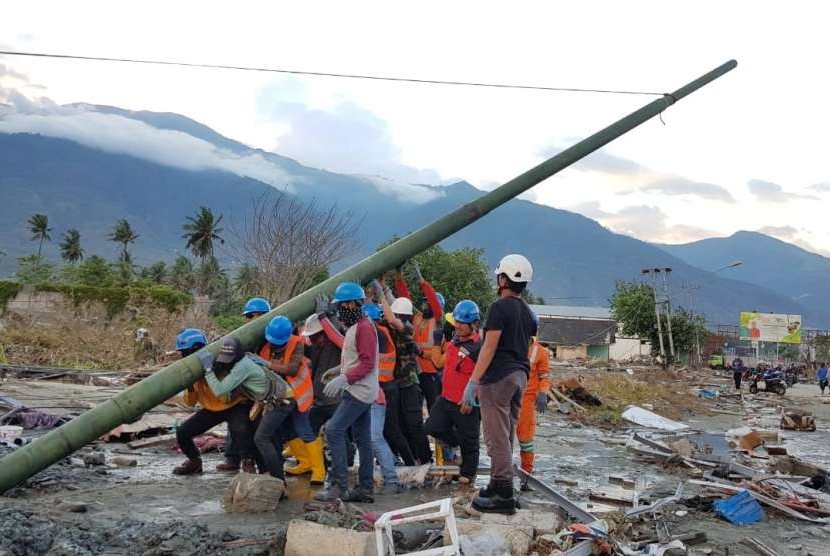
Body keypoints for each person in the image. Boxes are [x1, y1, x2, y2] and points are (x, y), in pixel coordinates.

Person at [464, 254, 536, 515]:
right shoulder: (527, 311)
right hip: (519, 377)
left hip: (498, 379)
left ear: (504, 278)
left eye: (499, 275)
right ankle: (497, 483)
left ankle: (504, 493)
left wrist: (473, 382)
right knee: (506, 434)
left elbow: (489, 347)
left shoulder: (499, 308)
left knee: (496, 437)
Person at [314, 282, 379, 503]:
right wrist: (339, 370)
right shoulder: (356, 326)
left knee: (333, 430)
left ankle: (338, 487)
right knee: (363, 439)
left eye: (341, 306)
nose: (340, 310)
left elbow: (368, 363)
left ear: (352, 303)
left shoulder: (364, 328)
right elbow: (356, 358)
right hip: (361, 388)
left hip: (359, 390)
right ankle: (365, 489)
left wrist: (345, 378)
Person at [198, 336, 292, 482]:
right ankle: (273, 475)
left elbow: (219, 390)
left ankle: (278, 480)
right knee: (267, 437)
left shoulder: (242, 367)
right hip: (276, 398)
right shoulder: (244, 360)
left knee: (262, 438)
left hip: (282, 401)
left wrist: (208, 370)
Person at [172, 329, 256, 475]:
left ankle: (248, 462)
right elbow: (190, 403)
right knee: (183, 432)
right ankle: (194, 461)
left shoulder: (222, 360)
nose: (184, 356)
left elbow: (225, 394)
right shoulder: (191, 371)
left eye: (186, 352)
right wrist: (190, 385)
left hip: (234, 405)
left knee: (240, 430)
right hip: (212, 409)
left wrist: (210, 371)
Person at [256, 315, 323, 484]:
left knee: (304, 429)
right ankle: (305, 463)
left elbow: (293, 369)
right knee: (288, 431)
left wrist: (266, 364)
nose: (275, 344)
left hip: (298, 394)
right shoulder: (265, 347)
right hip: (280, 395)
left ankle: (318, 471)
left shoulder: (296, 342)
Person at [425, 300, 482, 489]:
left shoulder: (478, 349)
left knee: (470, 442)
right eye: (456, 322)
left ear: (473, 324)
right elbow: (440, 364)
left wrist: (472, 398)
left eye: (462, 323)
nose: (457, 326)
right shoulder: (453, 342)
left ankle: (467, 480)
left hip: (465, 403)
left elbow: (483, 377)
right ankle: (459, 452)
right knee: (433, 427)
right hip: (446, 398)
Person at [380, 286, 433, 465]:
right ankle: (410, 459)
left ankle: (425, 460)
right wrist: (382, 289)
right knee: (400, 424)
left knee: (414, 424)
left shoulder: (406, 327)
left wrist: (381, 294)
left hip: (409, 383)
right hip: (395, 384)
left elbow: (391, 319)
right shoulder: (389, 328)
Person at [219, 296, 273, 471]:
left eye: (257, 315)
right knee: (236, 423)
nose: (253, 319)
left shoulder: (270, 336)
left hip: (262, 388)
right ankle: (233, 458)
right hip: (243, 386)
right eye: (250, 316)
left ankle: (260, 462)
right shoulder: (242, 337)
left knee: (258, 428)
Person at [395, 262, 445, 413]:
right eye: (423, 302)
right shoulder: (417, 317)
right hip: (417, 370)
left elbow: (434, 303)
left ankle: (438, 435)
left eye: (427, 302)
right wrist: (399, 278)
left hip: (432, 371)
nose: (424, 305)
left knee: (433, 406)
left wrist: (422, 282)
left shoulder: (438, 319)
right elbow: (406, 301)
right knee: (415, 406)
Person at [516, 315, 551, 479]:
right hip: (508, 398)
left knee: (525, 439)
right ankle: (501, 474)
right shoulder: (511, 346)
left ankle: (526, 473)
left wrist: (543, 392)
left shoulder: (540, 352)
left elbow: (544, 376)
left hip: (526, 401)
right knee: (502, 439)